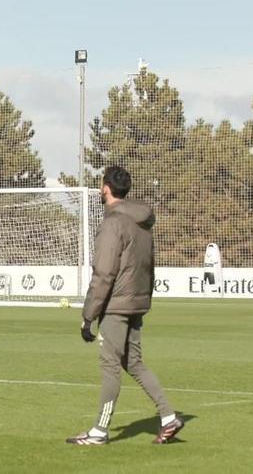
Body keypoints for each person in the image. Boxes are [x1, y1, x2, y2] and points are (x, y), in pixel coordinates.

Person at [66, 166, 183, 446]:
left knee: (110, 367)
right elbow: (148, 265)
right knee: (134, 362)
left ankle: (100, 431)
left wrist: (88, 316)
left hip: (116, 305)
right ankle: (168, 417)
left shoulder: (113, 223)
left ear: (106, 188)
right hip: (137, 302)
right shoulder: (142, 222)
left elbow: (104, 273)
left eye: (100, 184)